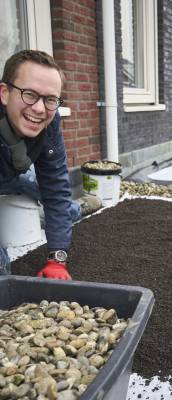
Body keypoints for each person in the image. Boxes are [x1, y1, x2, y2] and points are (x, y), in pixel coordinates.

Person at [0, 49, 99, 279]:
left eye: (50, 99)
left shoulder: (50, 120)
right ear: (4, 93)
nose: (39, 109)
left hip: (15, 172)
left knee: (54, 198)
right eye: (30, 94)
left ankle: (78, 208)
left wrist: (57, 258)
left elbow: (54, 189)